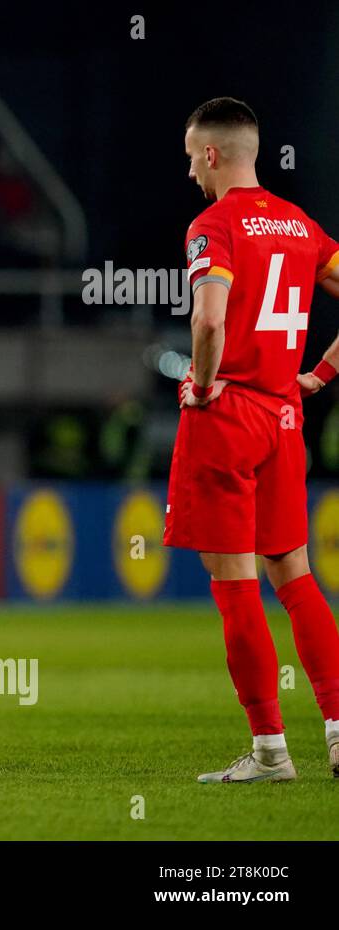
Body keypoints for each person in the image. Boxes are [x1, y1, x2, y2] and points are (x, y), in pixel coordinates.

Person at [167, 97, 339, 782]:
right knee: (295, 577)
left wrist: (203, 386)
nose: (187, 172)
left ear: (212, 154)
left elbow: (209, 321)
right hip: (283, 420)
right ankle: (336, 728)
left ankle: (270, 751)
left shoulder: (213, 224)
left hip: (230, 412)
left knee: (235, 585)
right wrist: (321, 374)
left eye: (189, 156)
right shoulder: (300, 225)